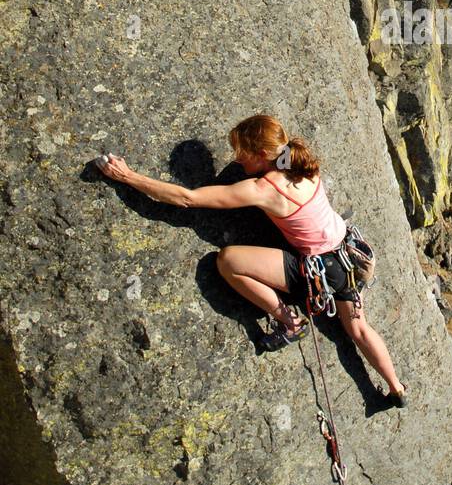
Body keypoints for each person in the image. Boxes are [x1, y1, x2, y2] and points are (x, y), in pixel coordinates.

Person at [97, 114, 406, 405]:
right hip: (351, 260)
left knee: (229, 260)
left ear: (261, 153)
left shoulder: (265, 189)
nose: (236, 158)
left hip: (320, 271)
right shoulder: (301, 162)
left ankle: (290, 322)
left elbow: (188, 199)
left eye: (242, 152)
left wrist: (128, 177)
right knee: (359, 330)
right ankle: (395, 387)